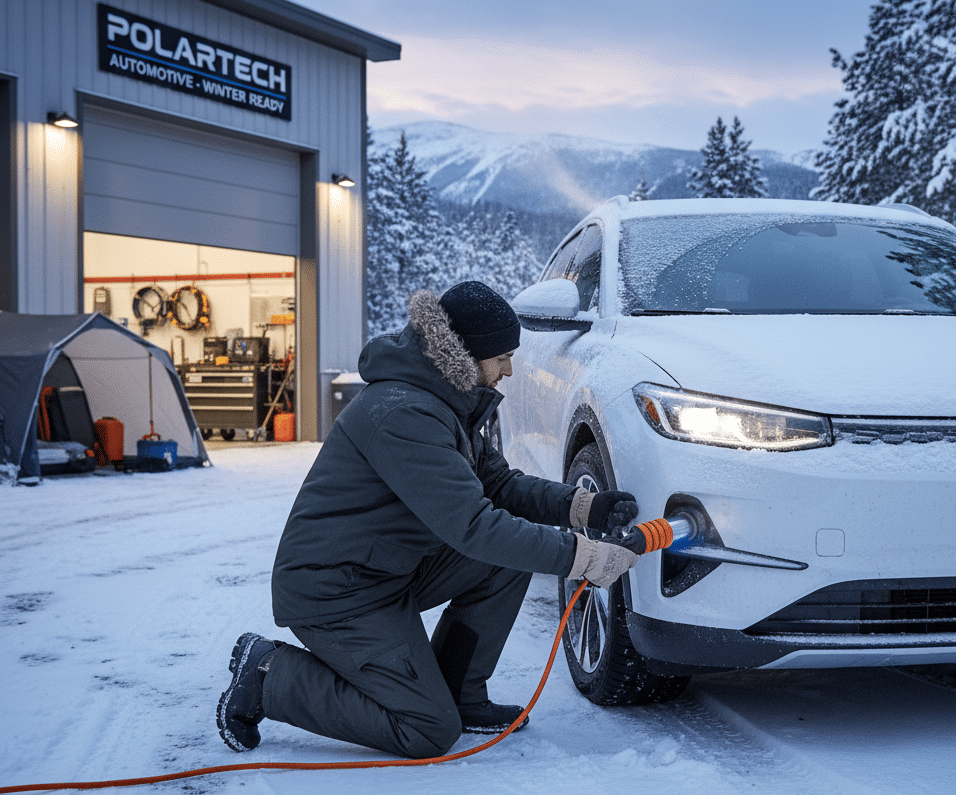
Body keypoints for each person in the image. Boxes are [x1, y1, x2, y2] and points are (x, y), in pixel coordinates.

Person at [217, 281, 639, 759]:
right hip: (334, 591)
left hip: (385, 571)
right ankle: (268, 674)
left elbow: (498, 486)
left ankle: (461, 694)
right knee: (426, 729)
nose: (509, 369)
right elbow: (475, 526)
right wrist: (582, 558)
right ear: (470, 354)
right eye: (501, 356)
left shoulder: (443, 402)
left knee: (507, 558)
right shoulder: (404, 413)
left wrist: (580, 507)